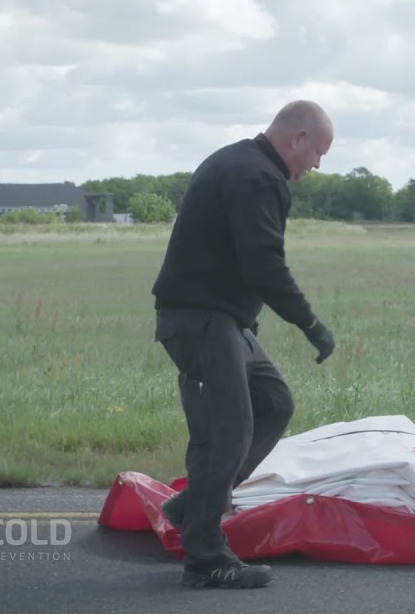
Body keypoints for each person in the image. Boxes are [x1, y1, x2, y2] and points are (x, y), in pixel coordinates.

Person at [149, 100, 337, 588]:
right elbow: (264, 265)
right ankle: (206, 558)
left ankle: (192, 509)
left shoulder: (238, 162)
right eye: (319, 152)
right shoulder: (258, 177)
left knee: (273, 402)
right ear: (297, 139)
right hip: (201, 321)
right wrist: (311, 324)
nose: (317, 165)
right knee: (226, 434)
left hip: (220, 322)